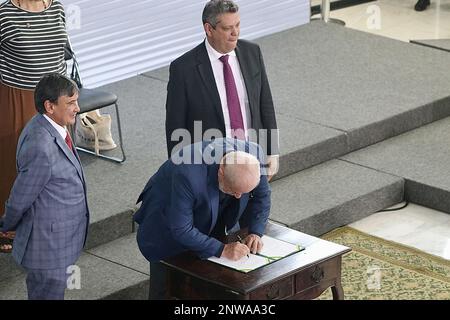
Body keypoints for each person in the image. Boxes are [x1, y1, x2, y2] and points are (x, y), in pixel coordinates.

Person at [134, 138, 271, 299]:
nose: (239, 196)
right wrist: (223, 249)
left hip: (212, 212)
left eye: (244, 191)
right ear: (221, 171)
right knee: (166, 286)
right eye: (235, 191)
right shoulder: (188, 174)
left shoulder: (253, 156)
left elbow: (262, 196)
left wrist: (255, 232)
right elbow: (182, 229)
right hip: (168, 222)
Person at [165, 0, 279, 180]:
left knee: (256, 206)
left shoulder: (252, 52)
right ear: (209, 29)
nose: (236, 33)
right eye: (227, 28)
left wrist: (272, 151)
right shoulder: (183, 69)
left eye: (238, 25)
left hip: (252, 157)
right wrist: (180, 169)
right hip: (210, 164)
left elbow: (265, 103)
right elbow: (175, 125)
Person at [0, 73, 89, 300]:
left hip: (61, 239)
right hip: (48, 247)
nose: (77, 108)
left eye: (76, 101)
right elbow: (21, 196)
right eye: (70, 103)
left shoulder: (54, 124)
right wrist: (6, 224)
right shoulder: (40, 145)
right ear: (50, 106)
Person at [0, 0, 69, 253]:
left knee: (56, 166)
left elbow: (63, 54)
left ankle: (47, 223)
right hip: (18, 99)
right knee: (14, 166)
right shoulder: (4, 14)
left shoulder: (58, 8)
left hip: (56, 100)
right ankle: (8, 227)